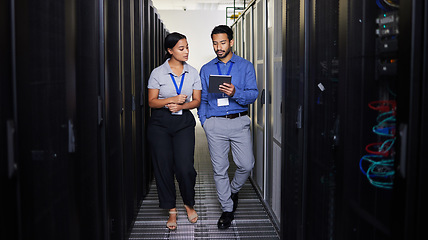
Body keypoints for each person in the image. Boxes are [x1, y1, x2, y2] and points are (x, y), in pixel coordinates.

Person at [198, 25, 258, 229]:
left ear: (231, 42)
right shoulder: (206, 69)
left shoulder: (245, 66)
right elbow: (203, 99)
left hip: (239, 121)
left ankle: (233, 191)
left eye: (222, 42)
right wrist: (205, 121)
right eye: (215, 43)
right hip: (215, 123)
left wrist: (235, 92)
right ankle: (227, 209)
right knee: (220, 169)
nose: (218, 47)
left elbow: (253, 94)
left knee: (246, 164)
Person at [147, 32, 200, 230]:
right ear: (170, 51)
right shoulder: (157, 73)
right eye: (181, 48)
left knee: (185, 167)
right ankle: (171, 210)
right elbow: (152, 102)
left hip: (184, 123)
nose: (186, 52)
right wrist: (171, 100)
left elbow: (196, 101)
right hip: (160, 123)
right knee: (163, 167)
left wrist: (181, 106)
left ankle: (188, 203)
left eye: (187, 47)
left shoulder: (193, 72)